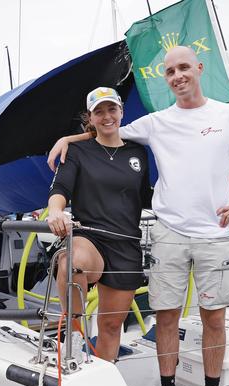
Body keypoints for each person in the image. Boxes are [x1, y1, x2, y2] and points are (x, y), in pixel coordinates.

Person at [47, 46, 229, 386]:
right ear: (165, 78)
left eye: (184, 68)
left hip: (215, 234)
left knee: (213, 319)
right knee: (166, 316)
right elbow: (103, 132)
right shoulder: (155, 123)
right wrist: (67, 138)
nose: (178, 76)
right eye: (170, 71)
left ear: (198, 69)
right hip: (168, 232)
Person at [47, 86, 152, 362]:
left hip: (126, 244)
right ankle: (75, 333)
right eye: (99, 111)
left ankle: (105, 377)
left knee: (110, 326)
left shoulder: (138, 152)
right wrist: (55, 212)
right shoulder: (77, 151)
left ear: (121, 112)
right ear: (90, 118)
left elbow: (147, 198)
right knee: (72, 262)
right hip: (90, 238)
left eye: (111, 109)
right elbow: (59, 189)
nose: (107, 116)